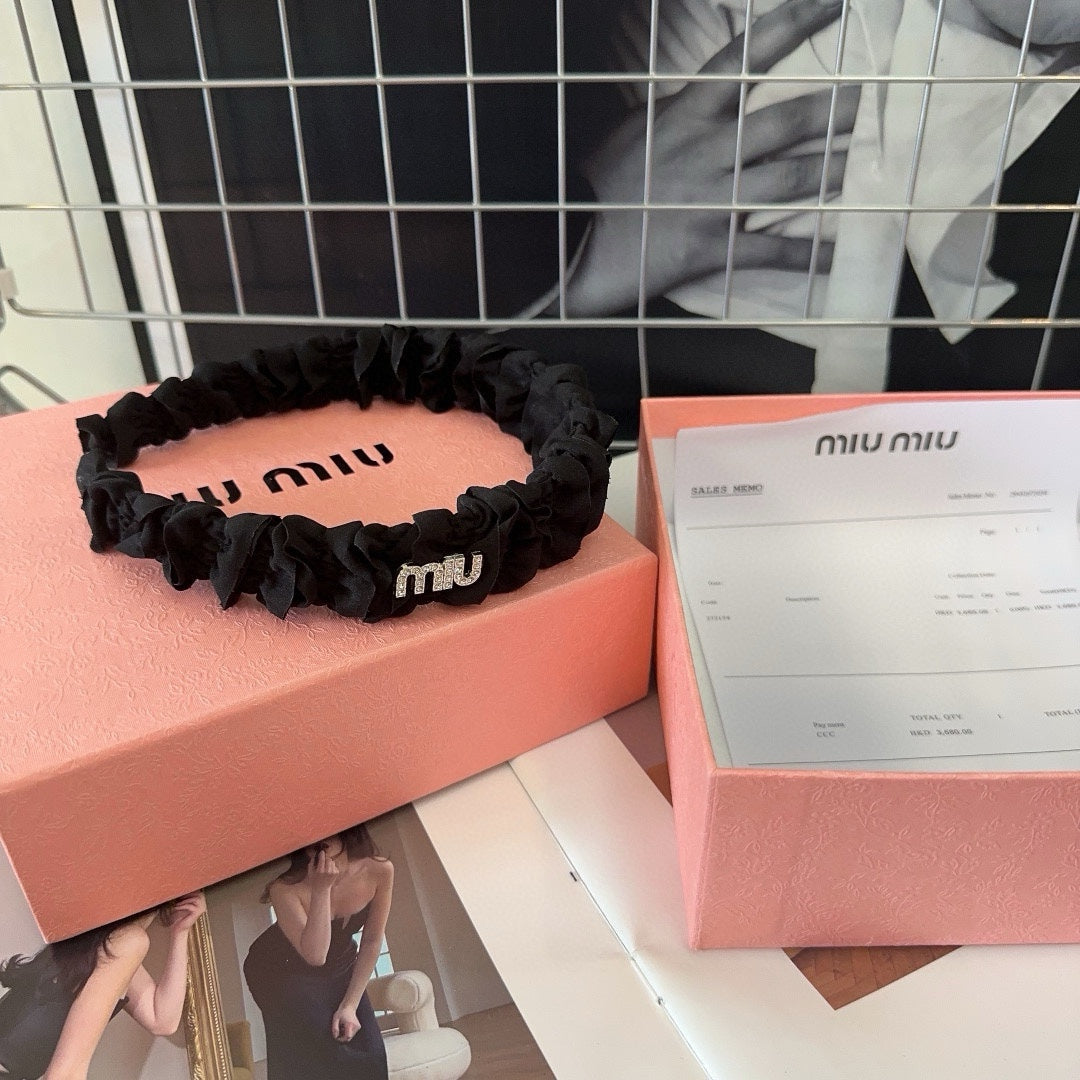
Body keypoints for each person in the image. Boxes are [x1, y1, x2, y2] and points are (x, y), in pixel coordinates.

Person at [0, 893, 206, 1080]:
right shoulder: (122, 943)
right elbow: (64, 1075)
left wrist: (180, 932)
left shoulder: (106, 941)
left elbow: (161, 1019)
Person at [243, 824, 393, 1080]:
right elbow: (315, 955)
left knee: (370, 1052)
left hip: (341, 963)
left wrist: (350, 1005)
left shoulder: (380, 870)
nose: (317, 840)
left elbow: (371, 941)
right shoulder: (284, 889)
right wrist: (321, 889)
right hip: (279, 970)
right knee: (320, 1054)